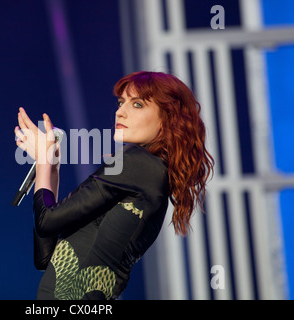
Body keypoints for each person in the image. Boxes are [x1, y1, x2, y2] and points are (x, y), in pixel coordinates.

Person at [14, 71, 214, 300]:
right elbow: (45, 258)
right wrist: (51, 169)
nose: (120, 112)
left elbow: (45, 221)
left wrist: (43, 160)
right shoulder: (149, 173)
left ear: (167, 118)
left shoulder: (136, 162)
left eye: (137, 104)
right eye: (121, 102)